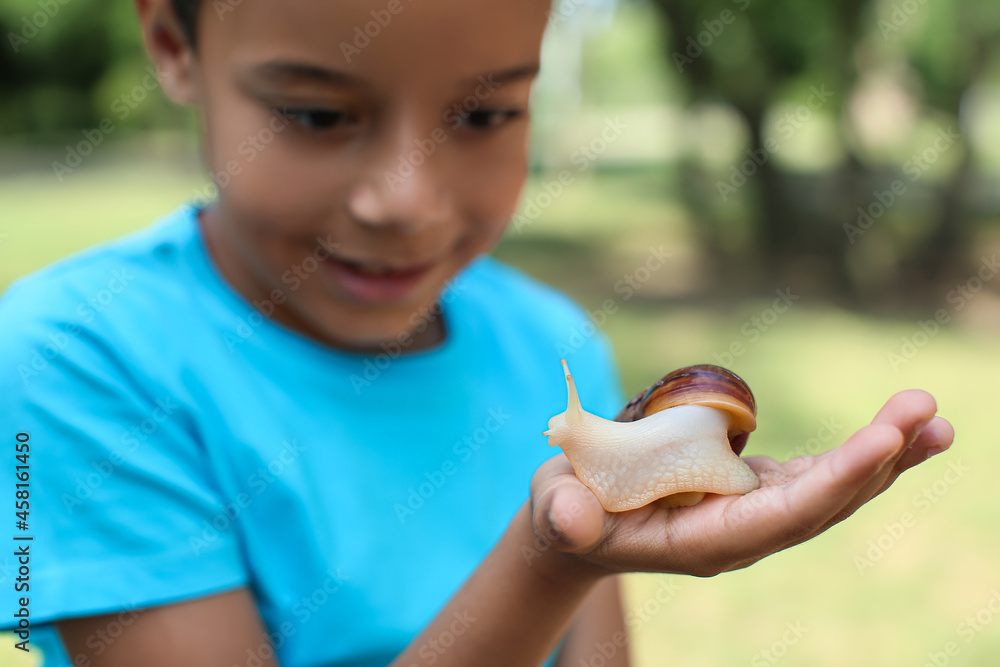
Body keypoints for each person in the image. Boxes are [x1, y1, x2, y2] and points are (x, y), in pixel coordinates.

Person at [0, 0, 955, 665]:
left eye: (487, 112)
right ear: (172, 43)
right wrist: (548, 563)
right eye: (316, 113)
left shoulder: (549, 339)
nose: (406, 201)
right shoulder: (77, 356)